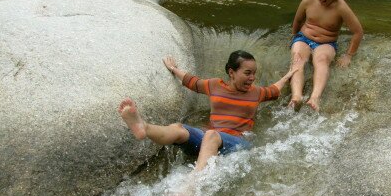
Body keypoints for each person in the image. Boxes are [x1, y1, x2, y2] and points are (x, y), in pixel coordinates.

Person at [118, 50, 298, 172]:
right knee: (179, 128)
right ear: (231, 72)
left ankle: (192, 184)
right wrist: (173, 69)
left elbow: (275, 89)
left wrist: (290, 74)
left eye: (254, 73)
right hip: (207, 142)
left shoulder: (257, 93)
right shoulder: (214, 85)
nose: (252, 78)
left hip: (237, 144)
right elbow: (191, 81)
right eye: (247, 73)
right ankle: (144, 127)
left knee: (211, 135)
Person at [288, 0, 364, 111]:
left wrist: (348, 55)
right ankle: (296, 96)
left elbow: (358, 32)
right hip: (304, 38)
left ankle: (315, 97)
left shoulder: (341, 8)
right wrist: (293, 38)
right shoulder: (307, 1)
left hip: (326, 42)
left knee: (321, 60)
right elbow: (297, 22)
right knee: (297, 58)